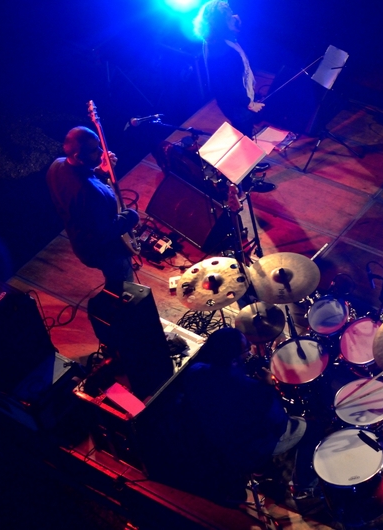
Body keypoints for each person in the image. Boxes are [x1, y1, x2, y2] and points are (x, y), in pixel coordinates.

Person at [159, 328, 314, 503]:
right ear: (233, 361)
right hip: (248, 451)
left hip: (216, 443)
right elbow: (279, 425)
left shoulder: (195, 373)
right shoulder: (255, 391)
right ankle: (303, 485)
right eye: (246, 348)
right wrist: (269, 386)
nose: (249, 350)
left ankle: (261, 470)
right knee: (312, 426)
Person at [46, 126, 139, 291]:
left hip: (79, 240)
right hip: (102, 250)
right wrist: (130, 216)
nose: (101, 152)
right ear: (78, 156)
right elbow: (105, 231)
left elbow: (83, 177)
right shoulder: (89, 193)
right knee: (123, 284)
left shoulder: (57, 165)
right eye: (94, 150)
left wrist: (100, 171)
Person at [195, 0, 264, 137]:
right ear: (221, 24)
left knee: (244, 128)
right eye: (229, 17)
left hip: (231, 101)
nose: (234, 17)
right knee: (245, 136)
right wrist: (250, 104)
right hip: (237, 105)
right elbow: (233, 86)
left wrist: (235, 26)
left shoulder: (214, 40)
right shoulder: (224, 51)